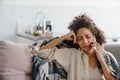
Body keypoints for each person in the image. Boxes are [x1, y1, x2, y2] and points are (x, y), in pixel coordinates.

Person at [39, 13, 119, 80]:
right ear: (76, 40)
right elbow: (41, 52)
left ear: (94, 36)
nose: (85, 42)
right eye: (80, 38)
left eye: (88, 37)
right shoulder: (71, 55)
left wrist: (101, 59)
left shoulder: (107, 57)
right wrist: (64, 37)